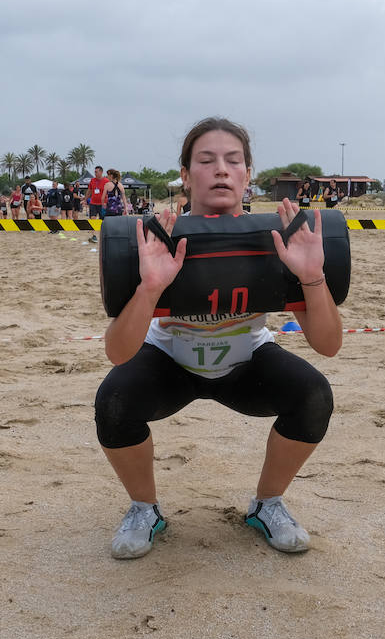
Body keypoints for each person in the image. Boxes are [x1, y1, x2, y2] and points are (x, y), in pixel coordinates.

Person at [94, 118, 342, 560]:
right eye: (206, 161)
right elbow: (117, 352)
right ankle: (144, 509)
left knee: (313, 395)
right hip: (170, 360)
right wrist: (149, 287)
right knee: (114, 400)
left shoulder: (277, 238)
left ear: (247, 175)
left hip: (245, 359)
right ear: (186, 176)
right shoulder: (156, 239)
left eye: (233, 161)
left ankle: (268, 504)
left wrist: (312, 276)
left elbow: (328, 343)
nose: (221, 170)